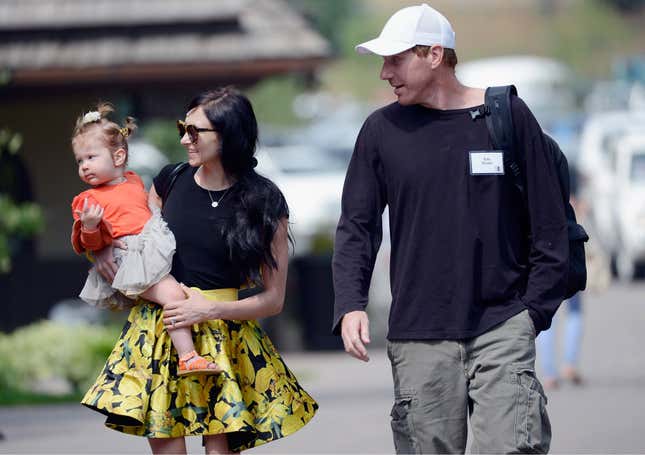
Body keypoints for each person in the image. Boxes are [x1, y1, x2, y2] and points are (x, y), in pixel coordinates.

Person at [332, 3, 568, 454]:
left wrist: (531, 313)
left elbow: (550, 224)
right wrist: (350, 303)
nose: (385, 73)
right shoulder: (380, 131)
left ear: (435, 55)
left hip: (502, 324)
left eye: (396, 59)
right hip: (418, 333)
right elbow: (357, 227)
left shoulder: (508, 116)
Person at [81, 88, 318, 454]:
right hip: (161, 329)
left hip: (225, 334)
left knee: (219, 448)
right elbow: (135, 249)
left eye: (195, 132)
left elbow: (273, 300)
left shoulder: (264, 200)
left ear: (228, 135)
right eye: (183, 127)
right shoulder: (167, 182)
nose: (184, 139)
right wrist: (102, 253)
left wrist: (208, 309)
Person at [70, 103, 221, 376]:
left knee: (181, 290)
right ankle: (188, 356)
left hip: (149, 249)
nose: (84, 166)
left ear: (118, 157)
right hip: (128, 258)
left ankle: (190, 350)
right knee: (174, 295)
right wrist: (91, 227)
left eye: (91, 157)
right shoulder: (87, 200)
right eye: (80, 161)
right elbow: (89, 244)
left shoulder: (133, 180)